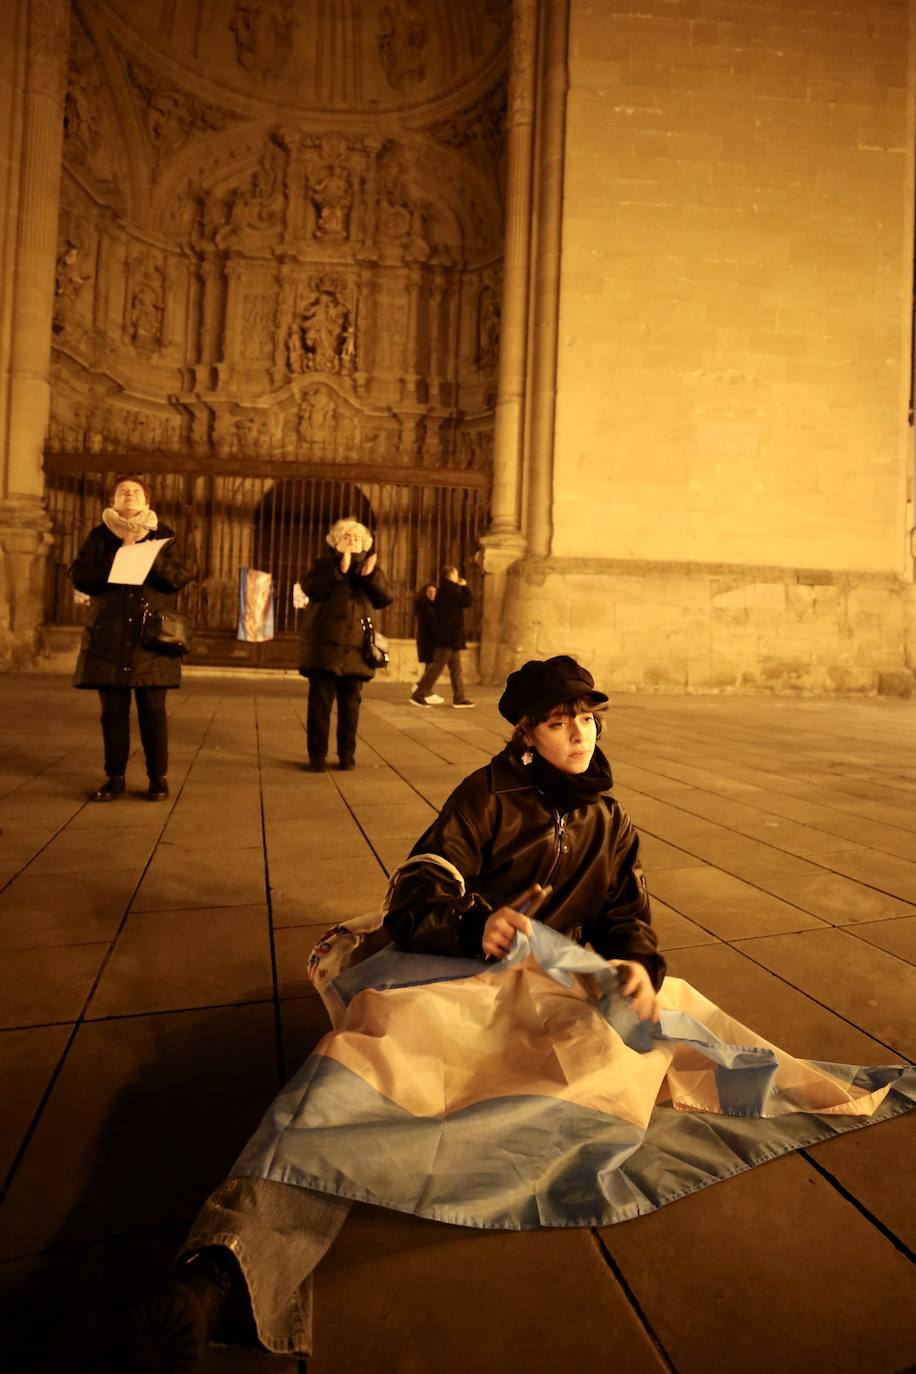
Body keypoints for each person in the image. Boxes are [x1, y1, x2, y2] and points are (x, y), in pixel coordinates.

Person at [111, 655, 665, 1371]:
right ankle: (222, 1270)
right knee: (345, 1080)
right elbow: (419, 886)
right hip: (450, 973)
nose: (579, 734)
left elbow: (628, 917)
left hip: (548, 987)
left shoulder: (611, 819)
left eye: (586, 719)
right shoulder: (486, 796)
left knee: (656, 1045)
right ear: (526, 733)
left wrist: (639, 967)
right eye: (559, 723)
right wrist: (476, 926)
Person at [69, 474, 195, 802]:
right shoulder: (99, 536)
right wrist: (117, 558)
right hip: (110, 636)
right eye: (122, 491)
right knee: (113, 712)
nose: (129, 495)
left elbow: (182, 575)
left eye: (135, 491)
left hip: (151, 638)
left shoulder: (163, 535)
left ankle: (158, 778)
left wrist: (148, 558)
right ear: (113, 501)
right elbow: (80, 576)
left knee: (153, 710)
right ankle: (115, 777)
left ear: (146, 502)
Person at [298, 518, 393, 771]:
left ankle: (346, 754)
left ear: (365, 543)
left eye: (356, 537)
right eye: (345, 536)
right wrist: (339, 570)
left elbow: (385, 597)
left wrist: (370, 575)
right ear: (334, 541)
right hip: (324, 647)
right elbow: (311, 588)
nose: (351, 541)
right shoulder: (323, 566)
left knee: (351, 706)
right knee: (320, 705)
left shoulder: (370, 569)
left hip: (357, 649)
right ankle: (317, 755)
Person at [409, 564, 475, 709]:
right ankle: (419, 694)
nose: (458, 578)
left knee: (456, 668)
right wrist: (464, 586)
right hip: (448, 638)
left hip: (450, 638)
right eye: (456, 574)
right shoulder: (449, 589)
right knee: (437, 668)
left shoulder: (446, 590)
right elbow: (467, 601)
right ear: (450, 575)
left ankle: (460, 697)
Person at [410, 581, 444, 705]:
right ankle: (425, 690)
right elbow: (431, 624)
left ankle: (421, 687)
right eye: (429, 591)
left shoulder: (435, 606)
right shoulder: (424, 606)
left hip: (432, 641)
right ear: (425, 593)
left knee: (430, 666)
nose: (432, 594)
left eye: (434, 591)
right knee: (431, 667)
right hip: (427, 641)